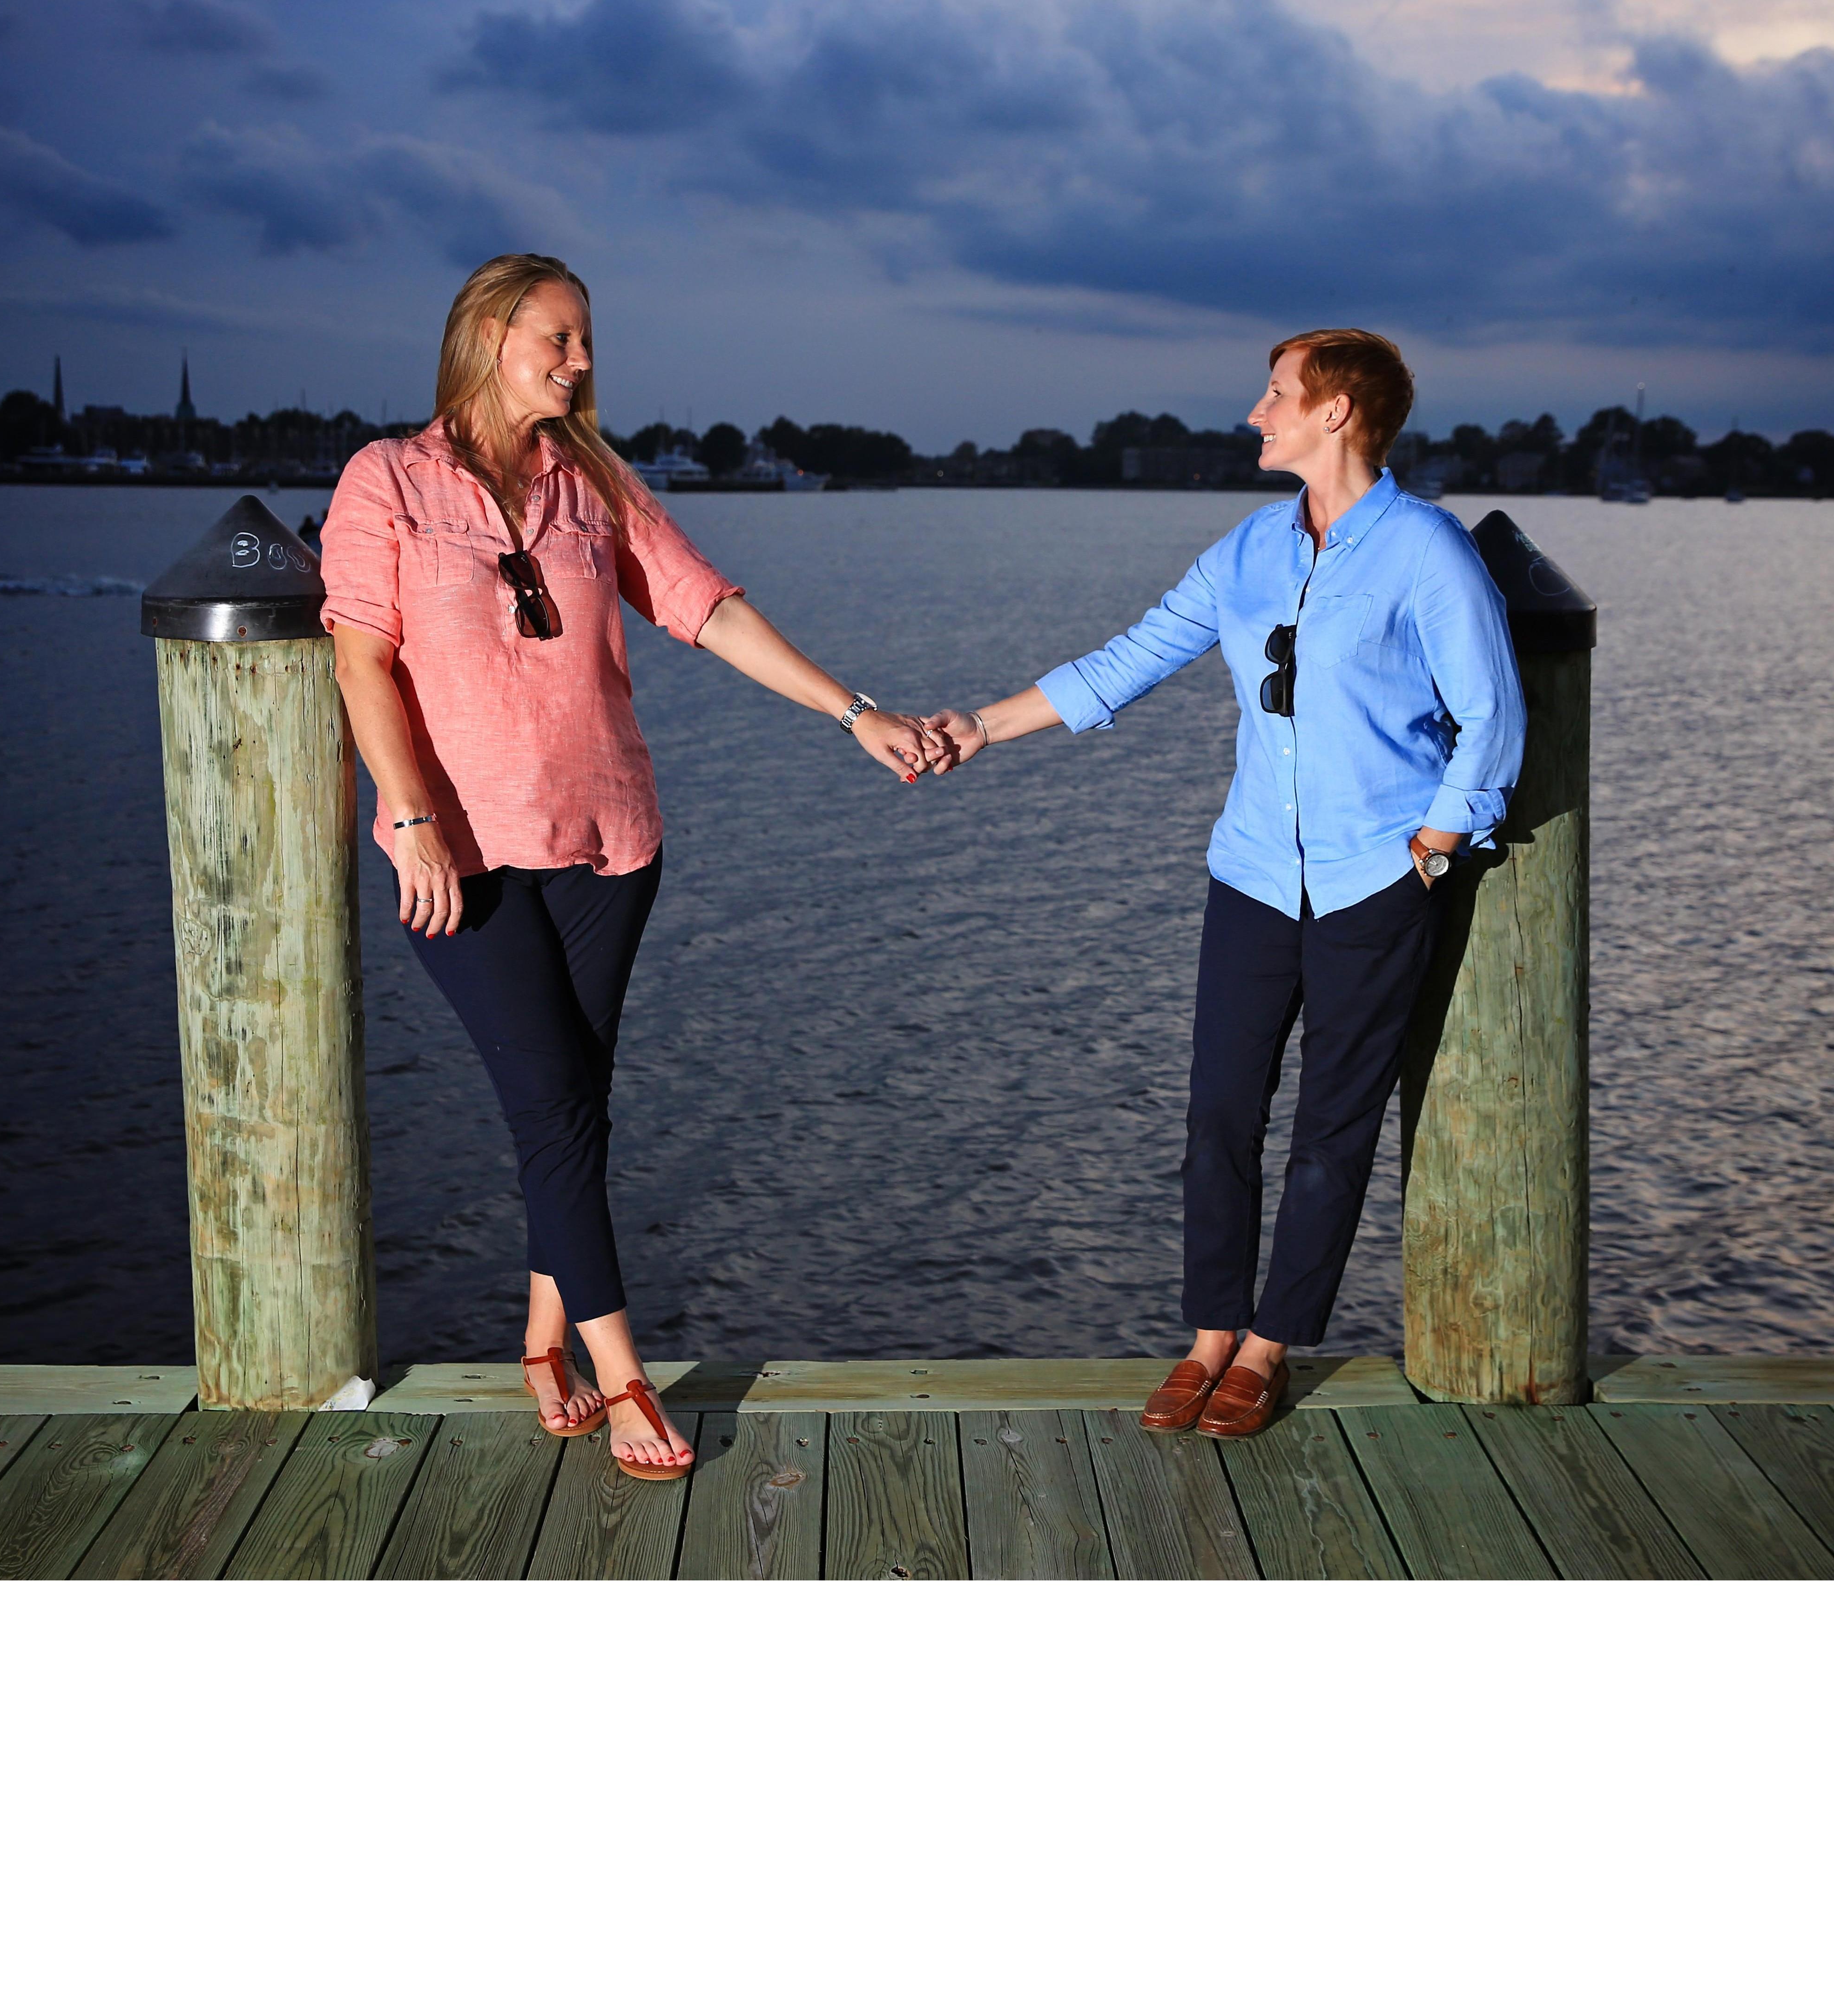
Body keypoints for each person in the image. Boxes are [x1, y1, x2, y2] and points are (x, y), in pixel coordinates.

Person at [321, 252, 936, 1478]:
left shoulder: (594, 480)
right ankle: (623, 1372)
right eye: (559, 336)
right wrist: (407, 814)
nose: (582, 359)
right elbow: (359, 657)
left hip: (610, 842)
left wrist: (850, 708)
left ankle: (543, 1338)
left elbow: (705, 607)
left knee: (574, 1109)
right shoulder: (386, 479)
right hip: (466, 855)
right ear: (489, 334)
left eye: (587, 338)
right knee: (550, 1102)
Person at [922, 329, 1524, 1438]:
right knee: (1216, 1116)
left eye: (1276, 395)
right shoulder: (1247, 550)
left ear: (1337, 412)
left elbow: (1490, 714)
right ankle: (1205, 1335)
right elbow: (1128, 658)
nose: (1256, 412)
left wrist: (1431, 852)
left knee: (1330, 1131)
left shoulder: (1427, 551)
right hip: (1249, 875)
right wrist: (983, 727)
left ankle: (1264, 1349)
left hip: (1371, 884)